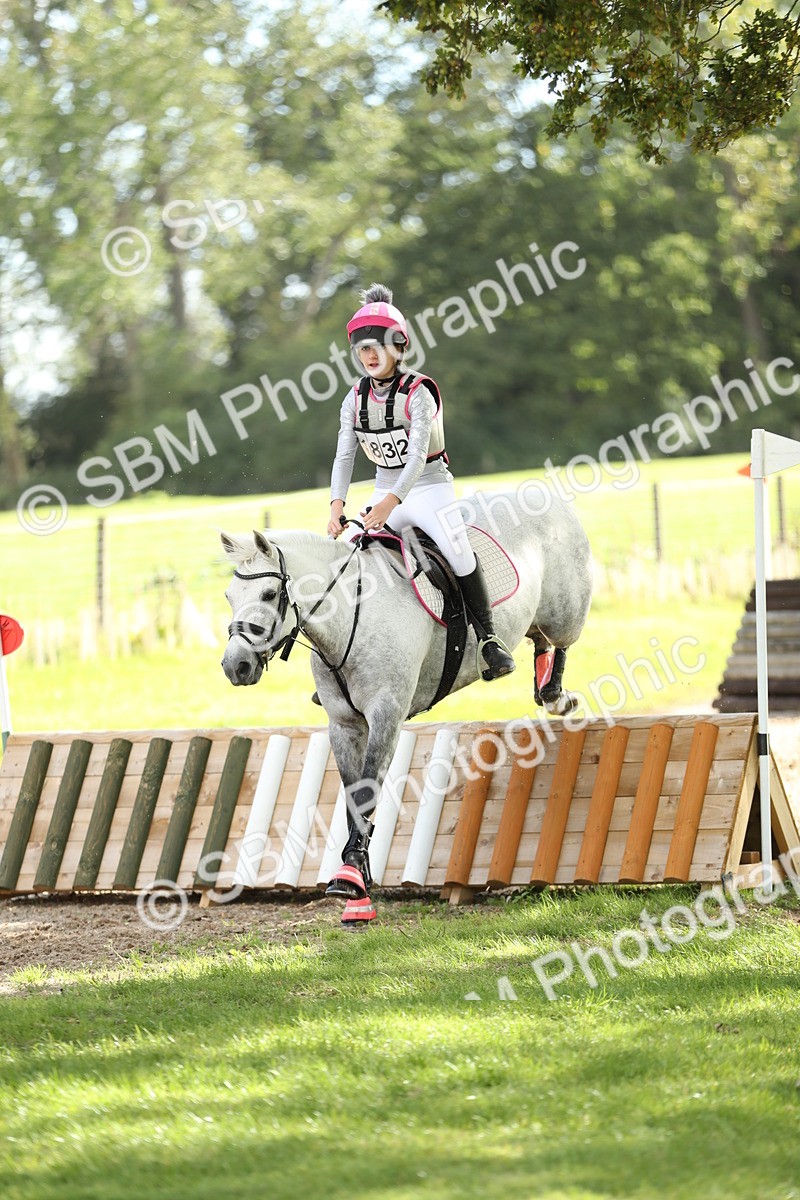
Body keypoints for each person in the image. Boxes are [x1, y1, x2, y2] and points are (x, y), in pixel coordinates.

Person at [327, 282, 515, 681]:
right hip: (383, 490)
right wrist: (336, 508)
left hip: (429, 487)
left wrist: (387, 505)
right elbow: (344, 455)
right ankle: (345, 662)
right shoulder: (353, 399)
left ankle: (489, 640)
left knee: (457, 550)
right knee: (345, 557)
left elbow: (415, 457)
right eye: (363, 349)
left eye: (378, 346)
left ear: (399, 348)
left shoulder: (419, 392)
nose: (370, 355)